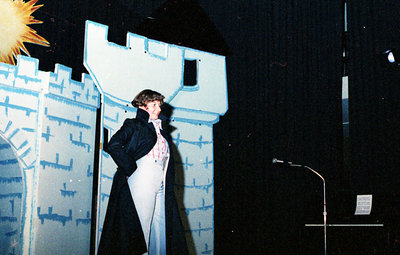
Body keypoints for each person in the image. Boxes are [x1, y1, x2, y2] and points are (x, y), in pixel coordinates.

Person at [98, 89, 188, 255]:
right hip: (143, 177)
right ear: (142, 105)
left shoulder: (160, 130)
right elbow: (113, 145)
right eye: (154, 104)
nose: (158, 109)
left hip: (160, 179)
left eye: (159, 105)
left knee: (161, 227)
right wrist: (131, 168)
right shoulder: (134, 125)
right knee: (142, 225)